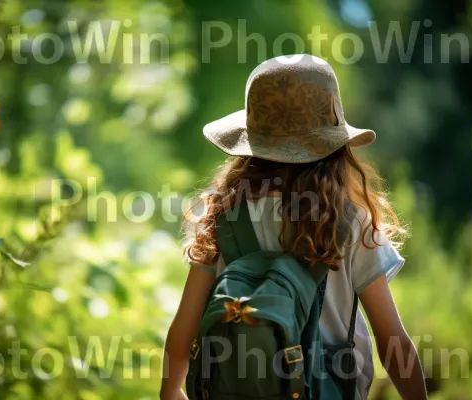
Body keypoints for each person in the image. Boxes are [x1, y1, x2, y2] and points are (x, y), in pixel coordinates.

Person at [160, 54, 428, 400]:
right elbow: (393, 343)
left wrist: (170, 390)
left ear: (249, 143)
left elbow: (184, 328)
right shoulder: (349, 222)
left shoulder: (221, 215)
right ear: (334, 146)